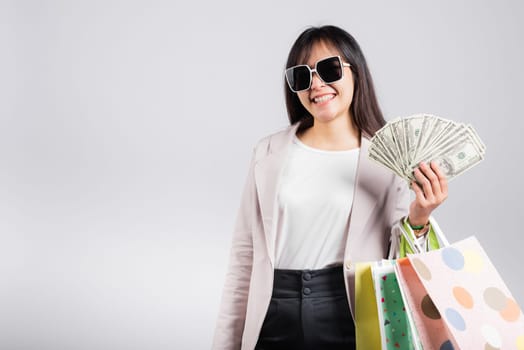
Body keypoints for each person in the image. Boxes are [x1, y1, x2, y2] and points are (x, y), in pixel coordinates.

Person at [212, 25, 448, 350]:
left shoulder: (386, 160)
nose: (317, 84)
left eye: (329, 69)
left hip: (350, 308)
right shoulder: (268, 152)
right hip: (272, 307)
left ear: (356, 72)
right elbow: (243, 258)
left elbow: (397, 263)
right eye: (302, 76)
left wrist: (420, 218)